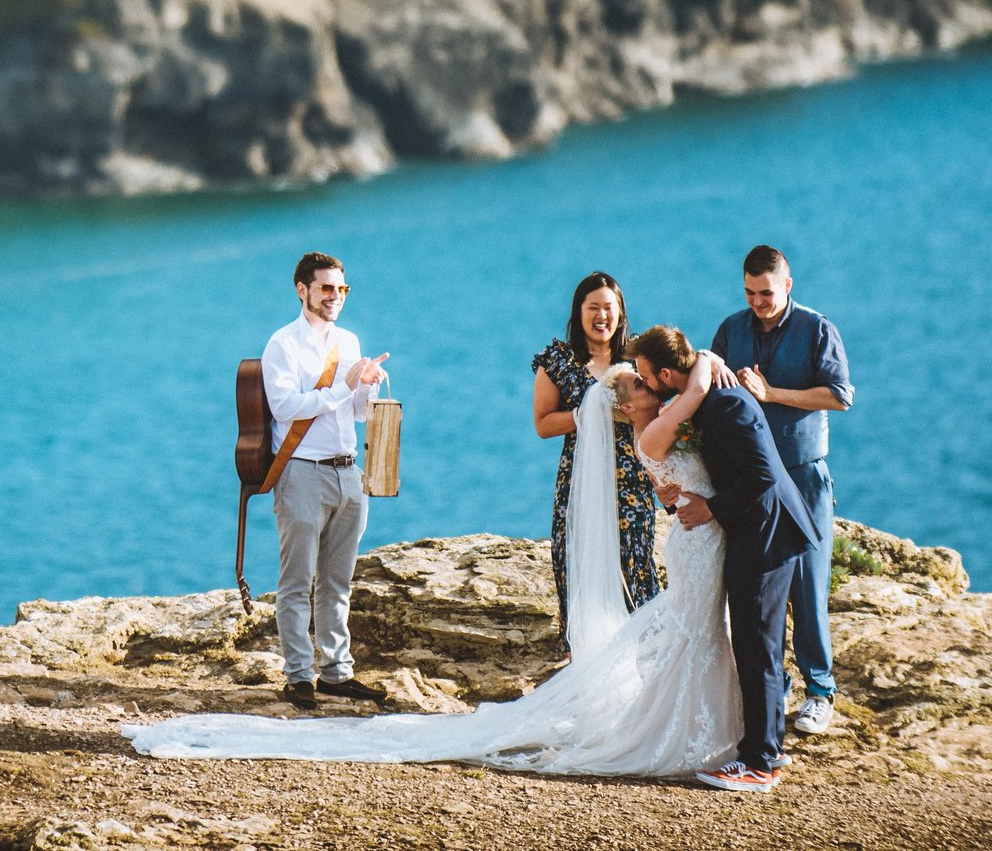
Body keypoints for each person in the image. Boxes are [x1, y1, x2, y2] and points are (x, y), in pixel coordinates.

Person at [127, 353, 744, 777]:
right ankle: (302, 675)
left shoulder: (655, 427)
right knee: (692, 630)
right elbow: (685, 405)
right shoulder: (656, 428)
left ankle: (694, 724)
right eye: (638, 384)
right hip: (697, 541)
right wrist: (708, 373)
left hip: (696, 538)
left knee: (696, 632)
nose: (644, 388)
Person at [632, 323, 818, 793]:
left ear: (670, 375)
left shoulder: (728, 405)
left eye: (646, 376)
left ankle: (760, 761)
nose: (646, 384)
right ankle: (765, 746)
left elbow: (760, 480)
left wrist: (710, 507)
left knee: (757, 646)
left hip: (766, 533)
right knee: (758, 645)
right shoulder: (709, 400)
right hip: (753, 532)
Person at [710, 244, 852, 737]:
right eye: (749, 292)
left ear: (787, 286)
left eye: (766, 292)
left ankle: (820, 691)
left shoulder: (817, 329)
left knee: (807, 586)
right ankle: (777, 682)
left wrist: (772, 395)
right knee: (751, 590)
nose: (757, 302)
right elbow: (711, 394)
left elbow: (839, 395)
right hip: (749, 481)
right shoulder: (731, 330)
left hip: (803, 473)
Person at [260, 251, 390, 711]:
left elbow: (353, 413)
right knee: (297, 581)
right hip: (301, 472)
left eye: (342, 289)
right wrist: (343, 386)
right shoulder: (283, 345)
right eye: (327, 288)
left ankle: (336, 673)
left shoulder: (350, 342)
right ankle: (299, 676)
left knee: (338, 581)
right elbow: (286, 407)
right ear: (303, 290)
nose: (336, 296)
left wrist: (367, 387)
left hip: (347, 471)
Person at [531, 271, 659, 652]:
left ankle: (646, 658)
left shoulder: (639, 356)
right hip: (580, 481)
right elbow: (542, 424)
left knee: (635, 563)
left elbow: (672, 392)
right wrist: (594, 409)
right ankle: (584, 662)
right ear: (579, 312)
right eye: (593, 308)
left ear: (620, 313)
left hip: (632, 480)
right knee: (577, 562)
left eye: (609, 308)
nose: (601, 316)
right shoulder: (558, 360)